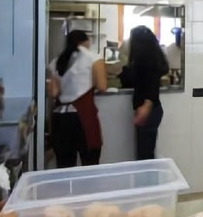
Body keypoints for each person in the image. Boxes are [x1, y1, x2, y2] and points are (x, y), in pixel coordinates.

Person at [47, 30, 107, 167]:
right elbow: (102, 86)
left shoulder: (56, 61)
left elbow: (53, 93)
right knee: (90, 164)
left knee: (65, 167)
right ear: (86, 42)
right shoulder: (94, 58)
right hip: (82, 117)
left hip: (60, 119)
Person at [119, 26, 169, 160]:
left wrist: (146, 105)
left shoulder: (146, 62)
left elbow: (151, 86)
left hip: (148, 109)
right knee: (147, 152)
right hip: (152, 110)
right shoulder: (152, 59)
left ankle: (148, 174)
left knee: (145, 154)